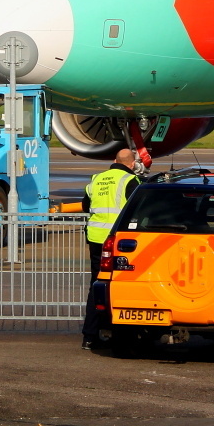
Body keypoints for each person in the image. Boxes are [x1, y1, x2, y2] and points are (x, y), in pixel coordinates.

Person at [81, 148, 142, 349]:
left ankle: (90, 336)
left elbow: (85, 206)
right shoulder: (130, 181)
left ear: (114, 160)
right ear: (132, 164)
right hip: (119, 243)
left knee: (97, 286)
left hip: (96, 239)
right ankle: (118, 333)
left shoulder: (96, 179)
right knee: (122, 286)